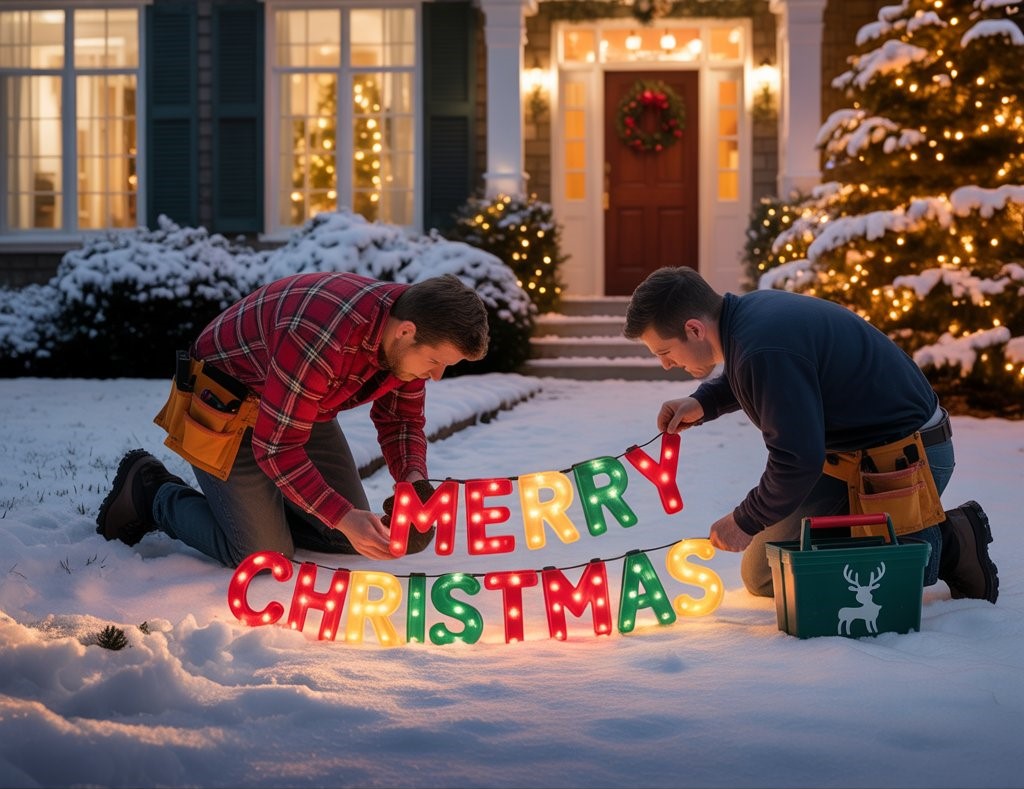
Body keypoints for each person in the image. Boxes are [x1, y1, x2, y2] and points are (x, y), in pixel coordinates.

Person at [623, 265, 998, 602]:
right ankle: (886, 538)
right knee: (764, 573)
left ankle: (949, 543)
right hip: (853, 455)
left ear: (694, 329)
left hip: (906, 461)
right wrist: (704, 402)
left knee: (872, 584)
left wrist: (744, 521)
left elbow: (796, 461)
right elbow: (763, 374)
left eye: (664, 351)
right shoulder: (747, 318)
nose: (666, 364)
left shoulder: (761, 346)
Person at [96, 271, 490, 567]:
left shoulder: (409, 332)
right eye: (435, 361)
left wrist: (413, 481)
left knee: (350, 537)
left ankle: (267, 508)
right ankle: (152, 492)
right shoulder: (322, 334)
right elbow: (276, 447)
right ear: (406, 331)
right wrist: (339, 514)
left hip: (298, 406)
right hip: (229, 406)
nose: (436, 376)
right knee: (263, 554)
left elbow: (401, 422)